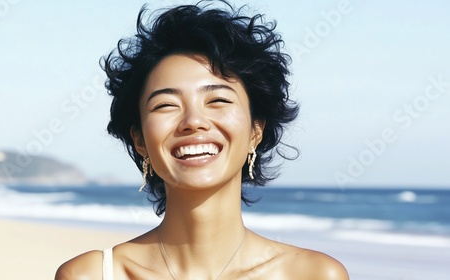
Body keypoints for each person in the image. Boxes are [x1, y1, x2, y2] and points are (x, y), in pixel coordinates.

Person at [55, 1, 349, 279]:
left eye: (218, 100)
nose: (193, 121)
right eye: (165, 105)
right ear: (140, 139)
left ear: (255, 132)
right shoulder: (94, 274)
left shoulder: (314, 274)